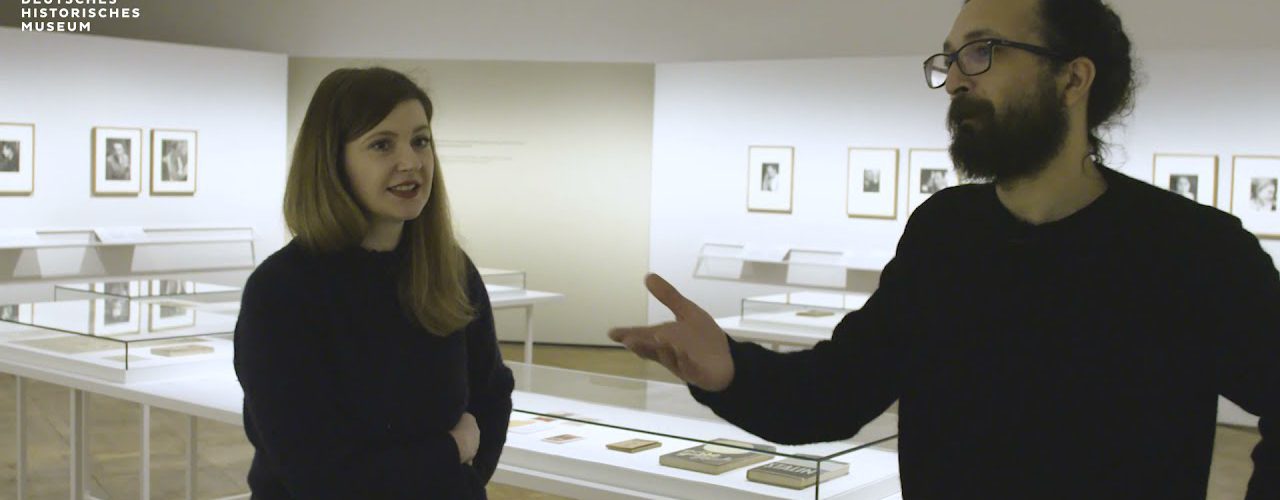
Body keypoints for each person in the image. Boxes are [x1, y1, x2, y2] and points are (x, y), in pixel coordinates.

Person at [610, 0, 1278, 498]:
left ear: (1073, 80)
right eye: (949, 59)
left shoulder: (1195, 250)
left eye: (982, 51)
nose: (956, 79)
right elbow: (837, 392)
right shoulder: (944, 232)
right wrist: (729, 369)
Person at [234, 67, 514, 499]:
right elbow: (319, 474)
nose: (411, 162)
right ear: (333, 161)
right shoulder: (282, 291)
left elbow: (491, 394)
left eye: (420, 141)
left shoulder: (449, 269)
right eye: (382, 144)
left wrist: (464, 478)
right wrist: (450, 451)